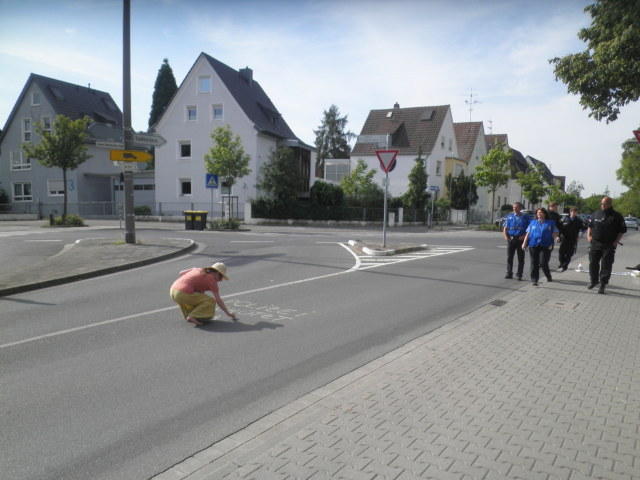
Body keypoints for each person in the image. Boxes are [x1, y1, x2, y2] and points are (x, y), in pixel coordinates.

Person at [169, 262, 236, 326]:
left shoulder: (197, 269)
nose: (219, 280)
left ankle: (188, 315)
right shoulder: (211, 279)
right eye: (220, 277)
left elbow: (181, 273)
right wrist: (228, 313)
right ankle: (193, 316)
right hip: (183, 293)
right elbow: (218, 300)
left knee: (198, 298)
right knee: (210, 301)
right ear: (218, 273)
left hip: (173, 290)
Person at [587, 196, 626, 294]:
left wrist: (615, 242)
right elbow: (589, 226)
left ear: (610, 204)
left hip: (608, 244)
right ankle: (593, 281)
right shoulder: (596, 214)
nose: (603, 205)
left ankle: (602, 284)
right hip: (595, 243)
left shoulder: (616, 216)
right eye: (602, 203)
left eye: (605, 204)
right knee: (593, 263)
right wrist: (588, 236)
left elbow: (621, 231)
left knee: (606, 265)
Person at [522, 207, 559, 286]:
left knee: (543, 262)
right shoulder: (533, 223)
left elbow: (556, 232)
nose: (539, 214)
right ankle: (534, 279)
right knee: (534, 262)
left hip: (545, 245)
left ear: (545, 214)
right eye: (538, 212)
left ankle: (548, 275)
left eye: (541, 212)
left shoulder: (550, 223)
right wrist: (524, 243)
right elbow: (528, 233)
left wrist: (553, 236)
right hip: (534, 244)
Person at [503, 202, 530, 280]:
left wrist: (524, 236)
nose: (515, 209)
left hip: (521, 239)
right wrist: (505, 236)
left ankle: (519, 274)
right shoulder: (510, 216)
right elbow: (505, 228)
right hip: (511, 239)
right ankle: (509, 273)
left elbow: (529, 229)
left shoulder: (525, 217)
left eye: (516, 207)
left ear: (520, 209)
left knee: (521, 258)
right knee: (509, 257)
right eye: (514, 207)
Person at [558, 206, 585, 271]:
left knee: (569, 254)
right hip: (564, 238)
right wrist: (558, 236)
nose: (574, 213)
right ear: (570, 212)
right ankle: (562, 263)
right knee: (561, 253)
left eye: (575, 212)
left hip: (573, 239)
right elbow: (561, 229)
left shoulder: (579, 221)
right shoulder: (565, 219)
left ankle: (565, 266)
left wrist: (580, 237)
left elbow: (584, 230)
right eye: (573, 212)